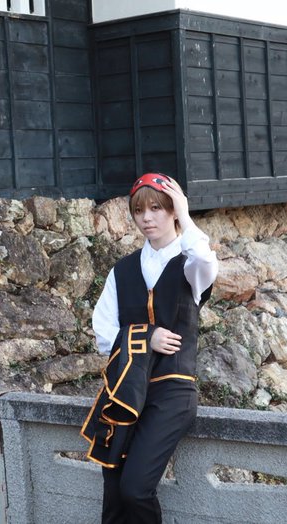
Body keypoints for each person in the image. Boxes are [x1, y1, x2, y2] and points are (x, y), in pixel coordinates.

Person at [82, 173, 218, 524]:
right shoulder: (122, 270)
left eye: (157, 208)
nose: (147, 218)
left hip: (172, 393)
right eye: (139, 210)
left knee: (135, 489)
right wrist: (146, 336)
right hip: (127, 391)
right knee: (114, 491)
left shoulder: (190, 265)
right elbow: (103, 333)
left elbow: (207, 261)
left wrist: (186, 213)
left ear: (172, 211)